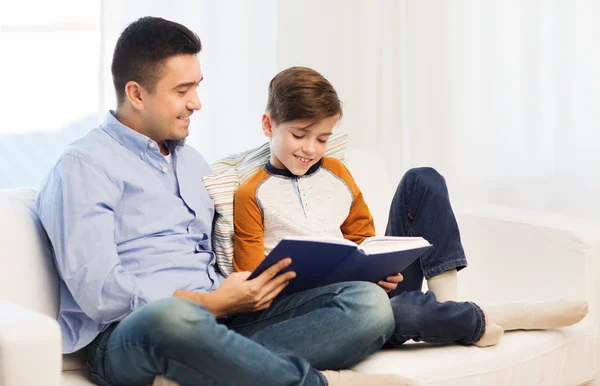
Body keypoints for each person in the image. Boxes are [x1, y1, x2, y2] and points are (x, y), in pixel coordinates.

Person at [35, 17, 418, 386]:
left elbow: (214, 253)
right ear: (136, 93)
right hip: (132, 334)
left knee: (366, 304)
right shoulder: (83, 166)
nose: (196, 103)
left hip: (224, 320)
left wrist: (239, 295)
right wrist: (210, 302)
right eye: (182, 91)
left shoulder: (192, 162)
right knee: (172, 318)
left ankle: (202, 373)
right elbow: (100, 293)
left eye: (197, 87)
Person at [233, 66, 589, 349]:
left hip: (371, 290)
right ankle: (497, 317)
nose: (310, 149)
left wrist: (378, 268)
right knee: (398, 312)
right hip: (334, 311)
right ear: (269, 125)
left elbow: (362, 239)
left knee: (423, 179)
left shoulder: (337, 174)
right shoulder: (251, 194)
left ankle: (447, 308)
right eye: (299, 135)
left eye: (322, 139)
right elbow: (252, 282)